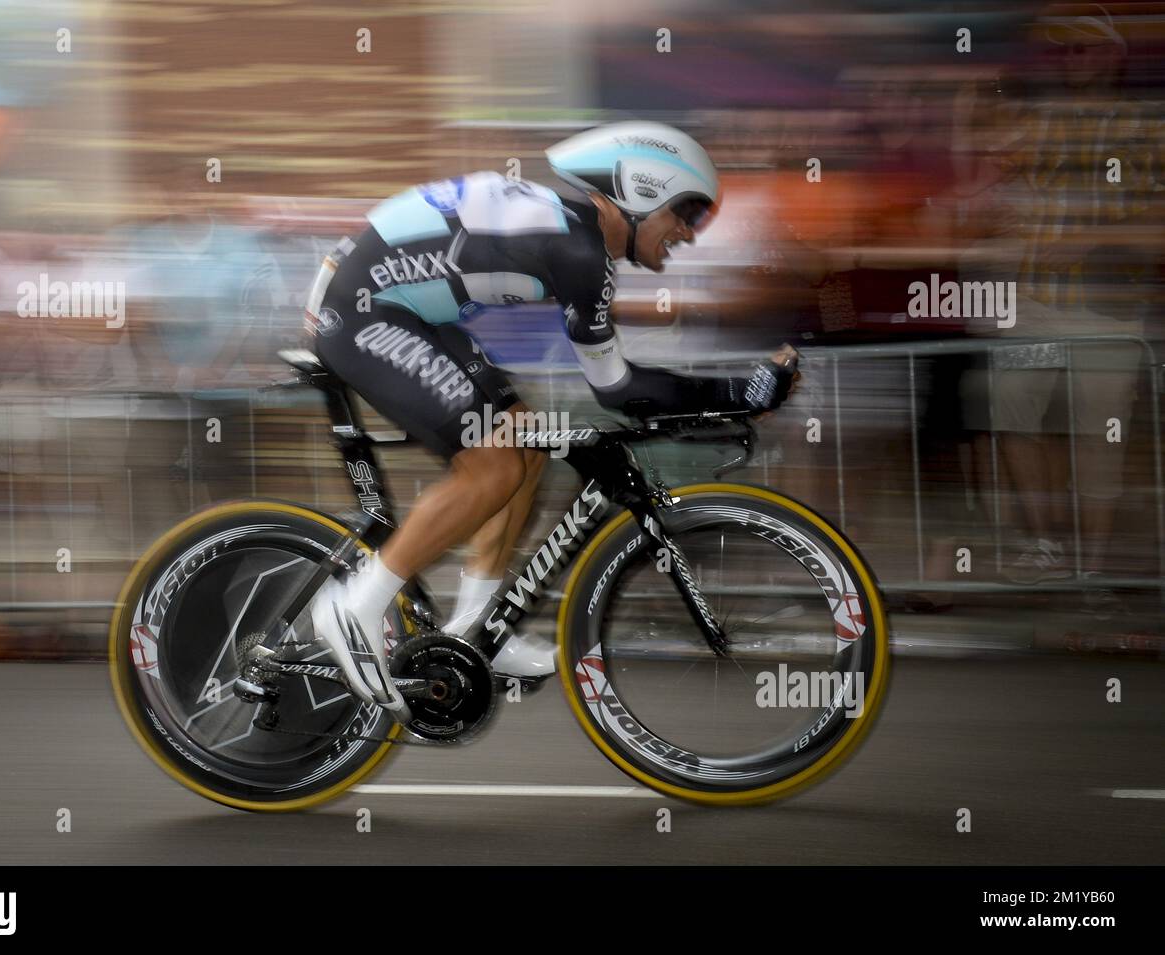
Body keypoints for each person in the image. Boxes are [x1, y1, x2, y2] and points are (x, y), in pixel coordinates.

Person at [307, 122, 799, 719]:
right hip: (363, 311)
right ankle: (355, 606)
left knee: (527, 440)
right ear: (642, 192)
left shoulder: (574, 230)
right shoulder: (578, 247)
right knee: (489, 467)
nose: (687, 235)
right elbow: (617, 387)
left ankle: (476, 624)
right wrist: (741, 389)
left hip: (407, 309)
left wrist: (728, 394)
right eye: (685, 213)